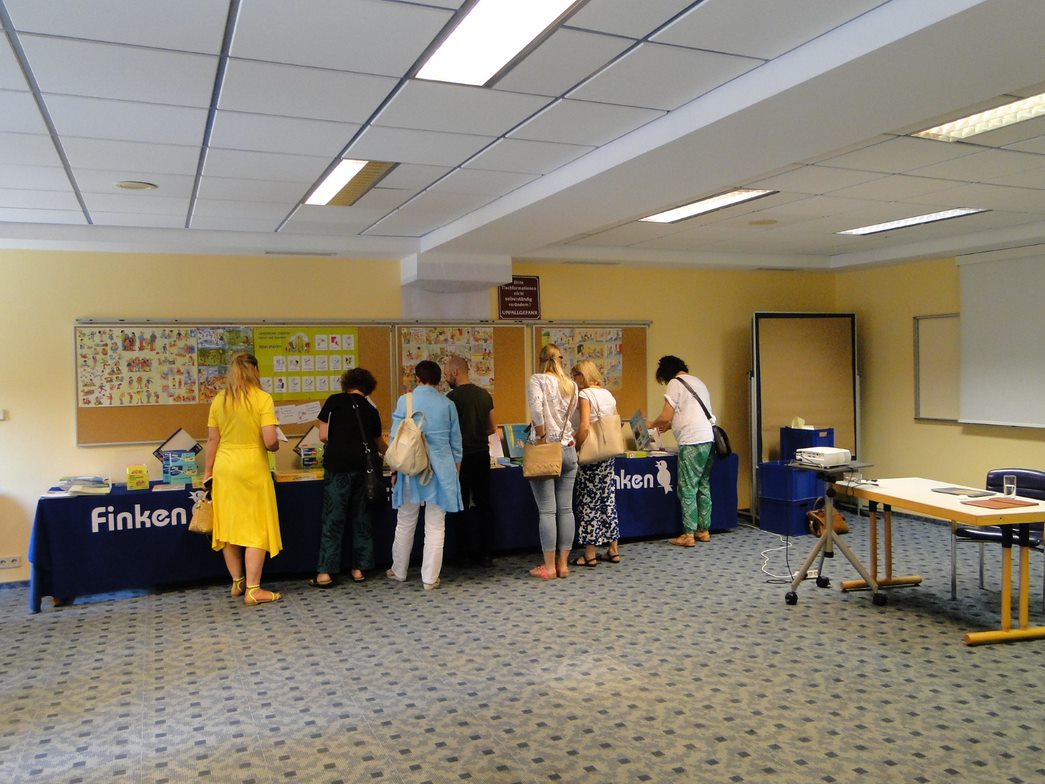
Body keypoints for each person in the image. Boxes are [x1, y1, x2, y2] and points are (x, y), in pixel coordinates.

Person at [203, 352, 283, 606]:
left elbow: (212, 440)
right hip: (251, 468)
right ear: (255, 371)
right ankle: (253, 589)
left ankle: (237, 581)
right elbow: (270, 440)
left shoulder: (220, 400)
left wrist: (208, 472)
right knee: (257, 529)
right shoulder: (262, 398)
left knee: (228, 527)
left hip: (224, 469)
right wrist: (275, 445)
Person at [386, 360, 463, 590]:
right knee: (436, 525)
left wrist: (394, 471)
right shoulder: (448, 404)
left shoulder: (405, 401)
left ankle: (399, 571)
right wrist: (455, 474)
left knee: (405, 521)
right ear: (439, 380)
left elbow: (395, 439)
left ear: (417, 378)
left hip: (411, 469)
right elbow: (456, 444)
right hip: (442, 471)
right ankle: (429, 578)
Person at [310, 367, 388, 588]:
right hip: (364, 469)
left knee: (333, 518)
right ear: (368, 387)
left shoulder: (334, 401)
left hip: (338, 466)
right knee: (361, 517)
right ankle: (359, 569)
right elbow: (378, 443)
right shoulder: (371, 409)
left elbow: (323, 435)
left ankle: (325, 573)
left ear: (346, 383)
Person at [649, 355, 715, 546]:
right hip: (708, 439)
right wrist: (671, 425)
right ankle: (703, 530)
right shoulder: (698, 382)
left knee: (687, 487)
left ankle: (688, 534)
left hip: (691, 441)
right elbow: (691, 413)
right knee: (703, 485)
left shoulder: (675, 383)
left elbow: (666, 415)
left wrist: (652, 424)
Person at [526, 343, 579, 580]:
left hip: (546, 449)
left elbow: (537, 411)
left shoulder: (537, 380)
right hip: (568, 449)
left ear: (541, 361)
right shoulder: (571, 385)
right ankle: (563, 564)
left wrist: (541, 437)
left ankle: (549, 567)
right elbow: (573, 416)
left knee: (547, 511)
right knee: (566, 509)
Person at [445, 355, 497, 567]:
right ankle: (486, 553)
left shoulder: (451, 399)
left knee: (461, 504)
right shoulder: (485, 395)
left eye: (447, 373)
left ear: (455, 372)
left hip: (460, 458)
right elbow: (493, 428)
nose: (446, 377)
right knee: (484, 503)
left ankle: (462, 554)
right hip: (482, 454)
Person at [570, 360, 621, 567]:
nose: (574, 380)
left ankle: (590, 554)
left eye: (575, 375)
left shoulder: (585, 395)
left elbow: (584, 427)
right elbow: (617, 421)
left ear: (582, 375)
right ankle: (613, 550)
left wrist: (575, 447)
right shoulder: (607, 394)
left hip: (591, 456)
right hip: (608, 454)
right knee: (608, 499)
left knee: (588, 503)